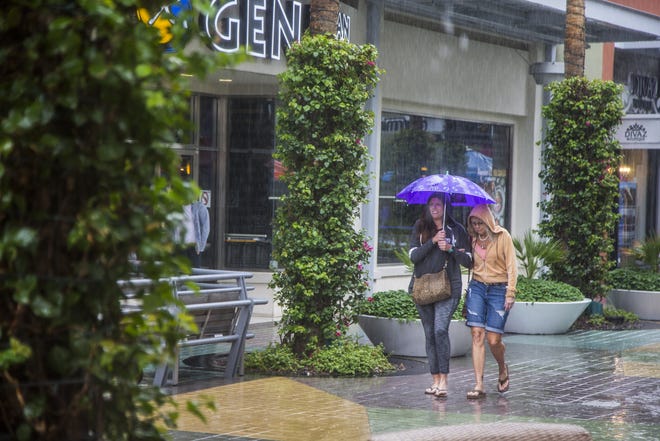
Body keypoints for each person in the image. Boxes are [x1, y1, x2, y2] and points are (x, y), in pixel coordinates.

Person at [408, 193, 472, 398]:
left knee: (440, 330)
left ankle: (444, 378)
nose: (435, 208)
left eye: (439, 204)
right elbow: (413, 257)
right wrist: (433, 241)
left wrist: (450, 248)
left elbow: (469, 260)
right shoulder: (420, 227)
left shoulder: (456, 229)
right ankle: (434, 379)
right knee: (429, 334)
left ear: (446, 207)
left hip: (448, 288)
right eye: (431, 204)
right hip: (423, 287)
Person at [464, 204, 517, 399]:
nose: (477, 227)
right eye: (474, 223)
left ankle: (502, 368)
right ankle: (479, 384)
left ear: (488, 220)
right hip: (477, 287)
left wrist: (510, 292)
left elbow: (512, 267)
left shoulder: (503, 237)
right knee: (477, 334)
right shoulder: (472, 239)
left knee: (493, 339)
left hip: (499, 289)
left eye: (480, 222)